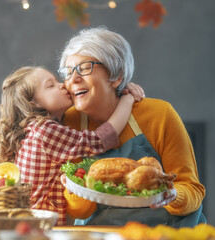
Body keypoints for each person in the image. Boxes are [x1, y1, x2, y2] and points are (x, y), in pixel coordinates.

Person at [58, 27, 206, 227]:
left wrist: (173, 195)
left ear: (116, 76)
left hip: (166, 232)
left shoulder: (160, 114)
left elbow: (192, 190)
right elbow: (79, 211)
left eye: (85, 68)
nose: (73, 79)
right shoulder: (69, 122)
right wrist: (78, 189)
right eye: (68, 72)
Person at [0, 66, 144, 226]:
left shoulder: (32, 129)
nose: (62, 85)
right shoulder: (45, 130)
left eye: (57, 80)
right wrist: (127, 99)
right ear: (32, 102)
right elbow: (101, 139)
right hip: (42, 229)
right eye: (51, 85)